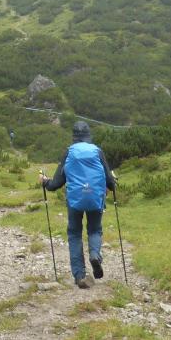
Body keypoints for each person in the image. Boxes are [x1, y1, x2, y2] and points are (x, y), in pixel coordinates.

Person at [40, 120, 116, 288]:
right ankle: (95, 255)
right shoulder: (97, 151)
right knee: (95, 229)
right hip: (95, 198)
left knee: (74, 234)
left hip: (74, 200)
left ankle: (80, 276)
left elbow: (55, 184)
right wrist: (112, 186)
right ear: (88, 136)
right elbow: (110, 181)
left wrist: (45, 182)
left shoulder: (69, 152)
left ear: (74, 136)